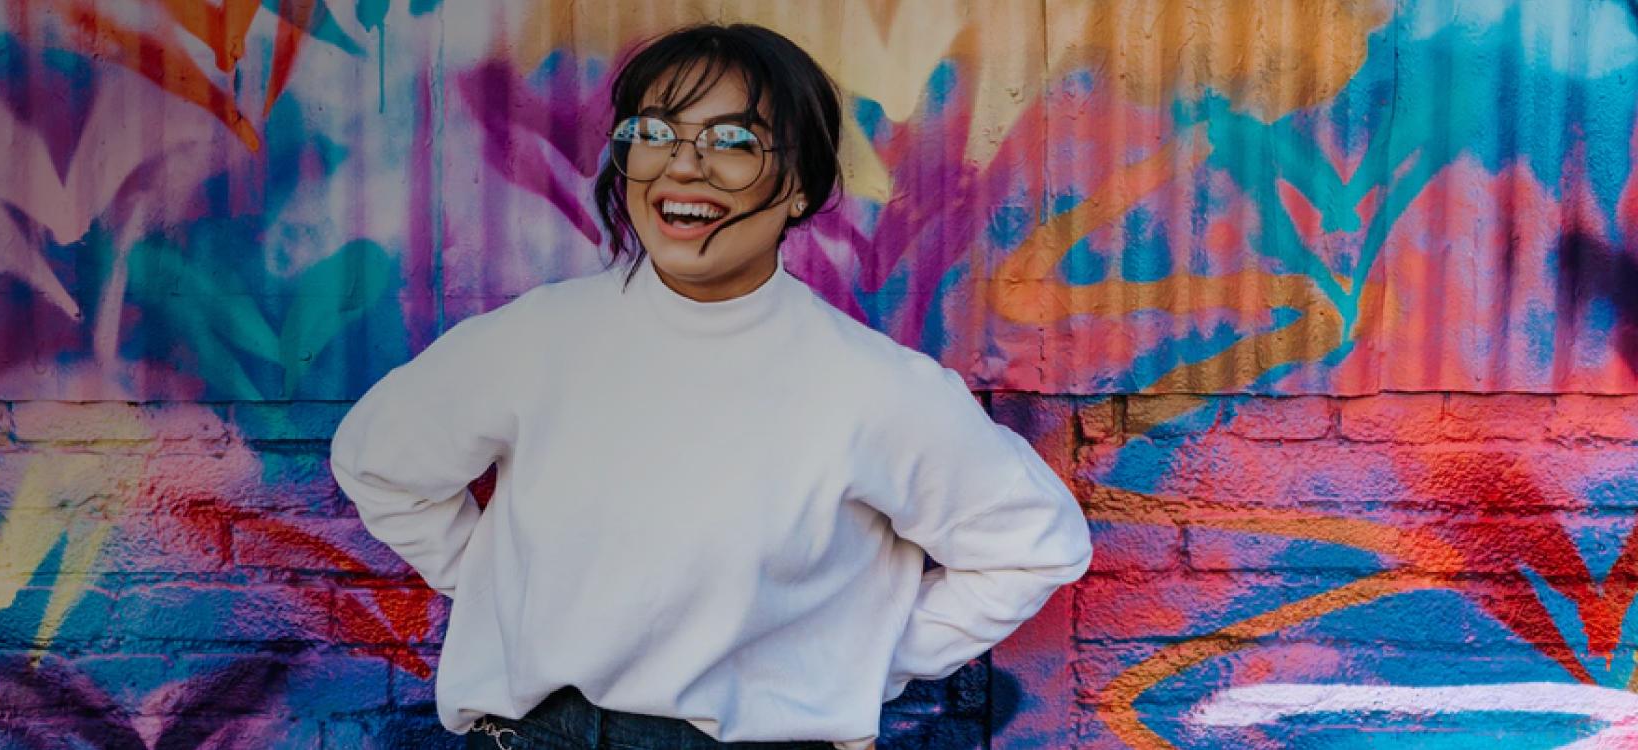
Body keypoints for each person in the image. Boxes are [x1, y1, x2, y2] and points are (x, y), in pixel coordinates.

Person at [329, 22, 1092, 750]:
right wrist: (505, 595)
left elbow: (1032, 546)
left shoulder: (873, 387)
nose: (683, 166)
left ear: (800, 186)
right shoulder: (535, 341)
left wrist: (859, 658)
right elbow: (381, 462)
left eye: (732, 142)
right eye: (654, 133)